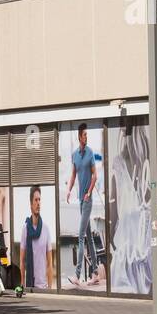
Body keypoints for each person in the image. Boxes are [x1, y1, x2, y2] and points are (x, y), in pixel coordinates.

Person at [66, 122, 99, 286]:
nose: (86, 137)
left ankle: (77, 275)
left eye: (87, 134)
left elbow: (95, 176)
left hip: (87, 200)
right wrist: (68, 190)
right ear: (79, 137)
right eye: (85, 135)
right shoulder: (74, 155)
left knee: (80, 237)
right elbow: (73, 175)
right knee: (90, 239)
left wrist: (89, 192)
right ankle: (96, 272)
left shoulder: (90, 153)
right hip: (80, 200)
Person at [20, 186, 54, 291]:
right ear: (31, 204)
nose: (38, 203)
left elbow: (50, 263)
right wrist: (22, 285)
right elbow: (22, 261)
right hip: (29, 287)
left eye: (39, 200)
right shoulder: (25, 229)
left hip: (43, 287)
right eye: (35, 200)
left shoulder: (46, 229)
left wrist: (50, 288)